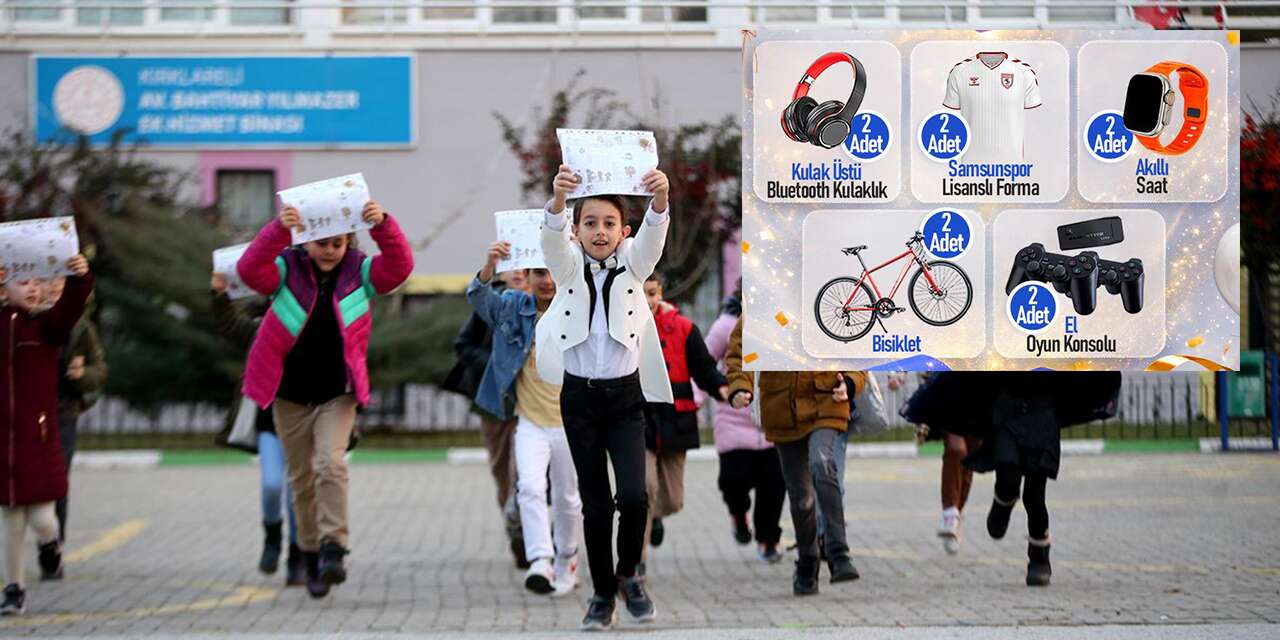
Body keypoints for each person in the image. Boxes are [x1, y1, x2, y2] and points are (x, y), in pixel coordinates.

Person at [237, 200, 413, 598]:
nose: (329, 250)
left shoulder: (360, 271)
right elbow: (249, 271)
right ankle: (310, 554)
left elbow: (398, 269)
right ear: (306, 241)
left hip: (338, 392)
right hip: (289, 393)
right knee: (300, 480)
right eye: (321, 243)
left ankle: (334, 546)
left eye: (337, 243)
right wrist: (278, 230)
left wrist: (382, 225)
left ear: (349, 240)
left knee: (330, 464)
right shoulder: (286, 268)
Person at [537, 164, 671, 631]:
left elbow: (654, 237)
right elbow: (551, 240)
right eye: (589, 223)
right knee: (595, 506)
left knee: (634, 496)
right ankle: (600, 595)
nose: (599, 231)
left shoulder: (634, 264)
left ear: (623, 231)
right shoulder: (568, 264)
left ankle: (630, 574)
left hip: (625, 399)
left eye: (609, 224)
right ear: (577, 231)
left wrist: (661, 199)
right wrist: (558, 200)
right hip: (579, 401)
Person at [467, 244, 582, 597]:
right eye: (537, 274)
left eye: (550, 272)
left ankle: (567, 558)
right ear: (527, 279)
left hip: (571, 423)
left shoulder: (580, 307)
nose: (545, 281)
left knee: (567, 497)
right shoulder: (515, 307)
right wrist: (489, 266)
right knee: (529, 488)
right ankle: (539, 560)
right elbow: (480, 299)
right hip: (529, 423)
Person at [725, 317, 866, 596]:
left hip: (827, 397)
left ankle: (839, 553)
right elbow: (739, 348)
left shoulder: (831, 286)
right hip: (782, 406)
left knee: (822, 463)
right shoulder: (764, 291)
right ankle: (807, 560)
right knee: (801, 498)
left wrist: (851, 382)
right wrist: (741, 385)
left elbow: (858, 341)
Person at [0, 256, 92, 615]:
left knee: (41, 519)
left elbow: (70, 308)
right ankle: (13, 588)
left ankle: (51, 543)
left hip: (35, 440)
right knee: (10, 518)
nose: (34, 288)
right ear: (4, 287)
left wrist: (79, 277)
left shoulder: (46, 328)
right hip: (3, 444)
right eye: (24, 283)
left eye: (38, 282)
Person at [210, 273, 303, 586]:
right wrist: (220, 296)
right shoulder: (262, 325)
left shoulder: (316, 316)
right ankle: (272, 536)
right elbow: (231, 327)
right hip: (268, 422)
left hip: (305, 418)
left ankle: (297, 556)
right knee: (272, 485)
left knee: (296, 494)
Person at [639, 273, 726, 569]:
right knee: (644, 488)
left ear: (660, 293)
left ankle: (657, 515)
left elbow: (705, 369)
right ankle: (636, 564)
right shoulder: (622, 327)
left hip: (676, 419)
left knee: (673, 499)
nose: (647, 301)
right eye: (640, 294)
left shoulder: (685, 328)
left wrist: (724, 388)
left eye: (651, 293)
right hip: (637, 420)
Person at [446, 270, 527, 568]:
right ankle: (515, 528)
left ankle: (536, 532)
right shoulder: (489, 303)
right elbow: (464, 346)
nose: (519, 272)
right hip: (495, 403)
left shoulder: (549, 298)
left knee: (527, 473)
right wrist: (495, 364)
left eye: (527, 265)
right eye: (513, 265)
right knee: (503, 474)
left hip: (534, 406)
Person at [703, 289, 786, 563]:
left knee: (773, 486)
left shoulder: (783, 320)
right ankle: (739, 516)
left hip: (771, 418)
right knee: (733, 481)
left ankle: (768, 540)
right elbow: (703, 364)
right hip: (733, 418)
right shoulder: (726, 325)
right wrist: (701, 396)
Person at [37, 277, 107, 553]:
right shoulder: (21, 319)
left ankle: (54, 547)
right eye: (48, 280)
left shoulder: (81, 327)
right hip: (26, 411)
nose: (54, 286)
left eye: (60, 282)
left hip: (63, 412)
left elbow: (99, 369)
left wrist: (81, 375)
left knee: (58, 479)